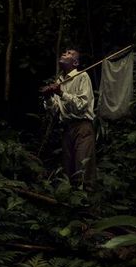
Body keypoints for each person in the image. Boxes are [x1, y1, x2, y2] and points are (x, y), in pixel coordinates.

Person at [40, 48, 97, 190]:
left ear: (75, 62)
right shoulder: (59, 81)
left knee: (83, 167)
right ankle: (71, 204)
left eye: (70, 53)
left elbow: (82, 106)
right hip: (67, 128)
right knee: (68, 170)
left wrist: (61, 93)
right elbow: (54, 110)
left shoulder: (81, 76)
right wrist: (48, 97)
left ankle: (88, 205)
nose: (65, 53)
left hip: (82, 127)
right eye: (65, 52)